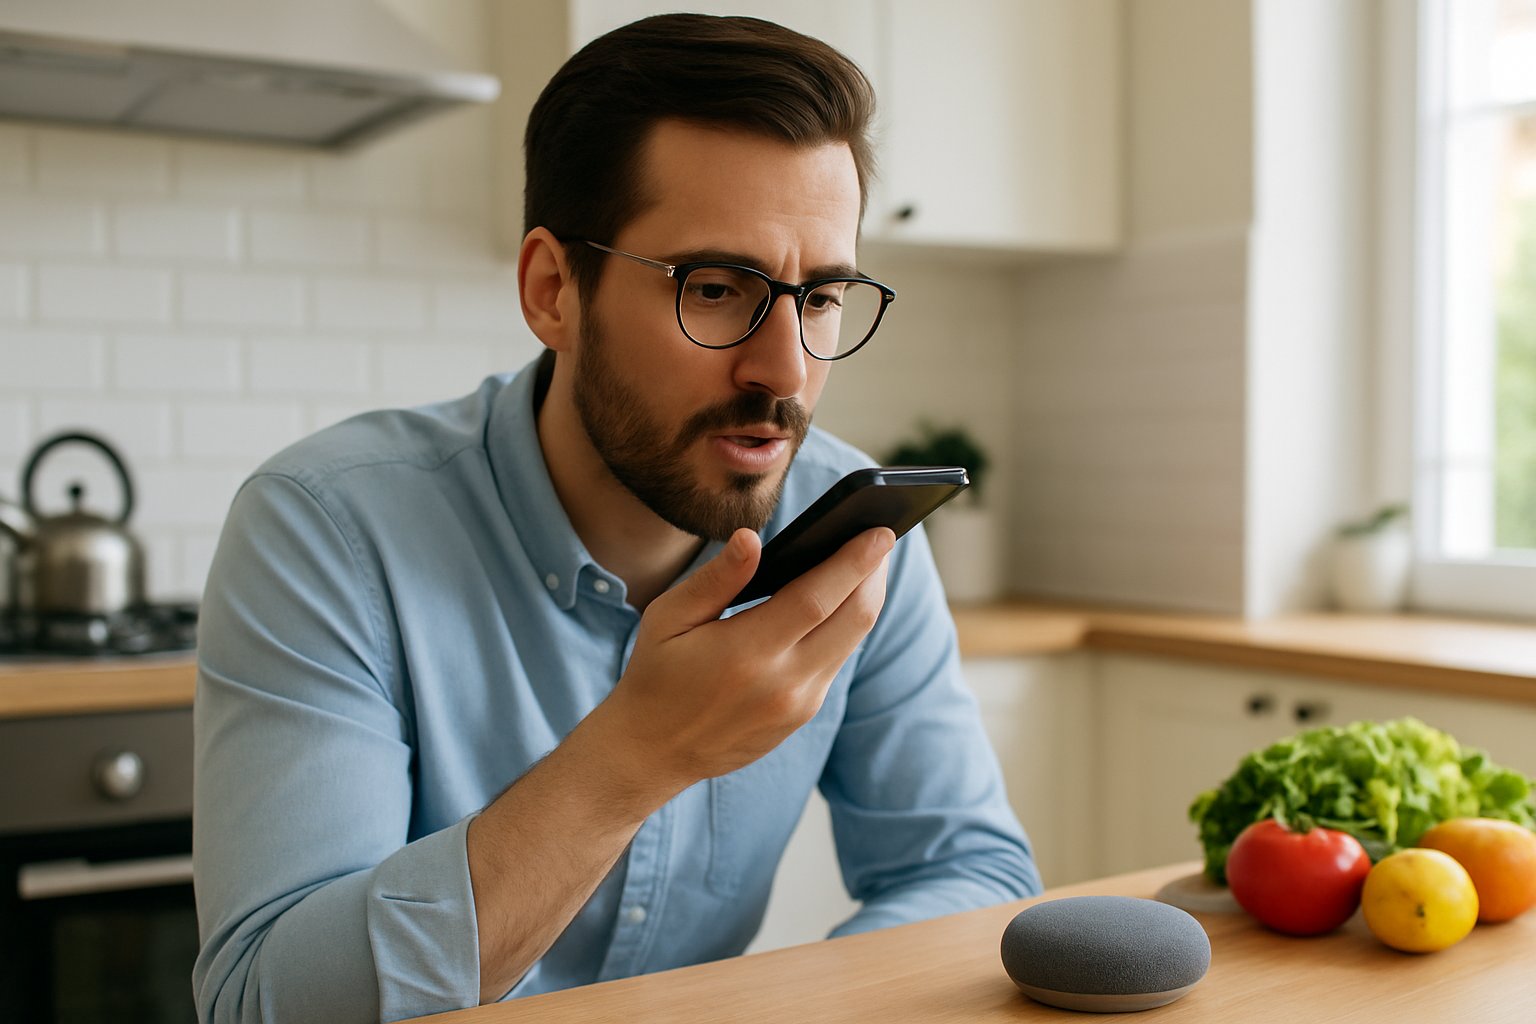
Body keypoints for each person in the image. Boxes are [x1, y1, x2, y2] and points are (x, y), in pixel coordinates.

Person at [191, 13, 1040, 1023]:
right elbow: (264, 1003)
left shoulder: (851, 529)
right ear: (553, 290)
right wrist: (639, 754)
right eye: (715, 289)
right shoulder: (328, 530)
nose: (785, 371)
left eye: (820, 299)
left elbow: (971, 873)